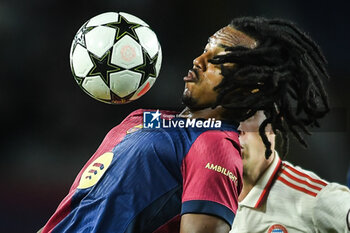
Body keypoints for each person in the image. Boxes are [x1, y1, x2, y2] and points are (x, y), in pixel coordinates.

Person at [39, 21, 259, 233]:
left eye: (217, 60)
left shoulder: (214, 146)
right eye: (204, 50)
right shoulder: (142, 118)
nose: (198, 60)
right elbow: (73, 211)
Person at [231, 111, 350, 232]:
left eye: (246, 116)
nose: (234, 128)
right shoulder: (213, 201)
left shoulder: (315, 199)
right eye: (223, 118)